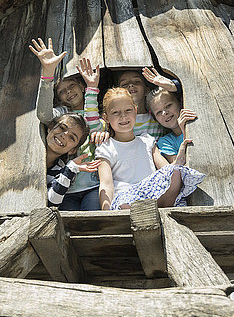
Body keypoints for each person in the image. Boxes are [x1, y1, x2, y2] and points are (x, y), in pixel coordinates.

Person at [95, 88, 204, 210]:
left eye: (128, 110)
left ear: (135, 111)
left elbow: (165, 170)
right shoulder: (105, 148)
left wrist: (178, 161)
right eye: (116, 112)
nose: (123, 116)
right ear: (106, 118)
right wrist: (107, 213)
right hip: (126, 198)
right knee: (125, 203)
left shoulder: (147, 141)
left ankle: (163, 207)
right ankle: (146, 209)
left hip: (153, 195)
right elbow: (106, 184)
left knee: (176, 171)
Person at [29, 37, 104, 210]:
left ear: (81, 85)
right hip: (65, 187)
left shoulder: (97, 116)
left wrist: (92, 86)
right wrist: (47, 73)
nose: (68, 91)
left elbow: (93, 123)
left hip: (92, 184)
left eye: (71, 85)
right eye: (62, 91)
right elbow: (44, 114)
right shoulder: (63, 114)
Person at [46, 113, 100, 207]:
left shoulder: (62, 171)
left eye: (72, 137)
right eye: (62, 128)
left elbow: (52, 203)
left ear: (72, 150)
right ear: (50, 127)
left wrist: (70, 169)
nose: (64, 135)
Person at [115, 67, 182, 138]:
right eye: (124, 84)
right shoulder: (118, 120)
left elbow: (189, 89)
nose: (131, 85)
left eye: (137, 82)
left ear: (147, 90)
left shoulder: (157, 117)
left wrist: (174, 85)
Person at [146, 88, 197, 163]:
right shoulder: (166, 142)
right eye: (159, 112)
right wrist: (184, 132)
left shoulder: (198, 119)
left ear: (180, 102)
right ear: (156, 119)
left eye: (168, 105)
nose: (164, 113)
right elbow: (179, 168)